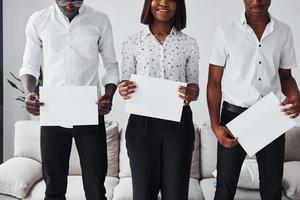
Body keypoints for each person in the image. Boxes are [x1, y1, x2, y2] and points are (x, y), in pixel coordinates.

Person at [19, 0, 119, 199]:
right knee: (54, 187)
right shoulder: (39, 20)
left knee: (96, 188)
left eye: (76, 0)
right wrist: (29, 92)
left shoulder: (100, 20)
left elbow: (111, 66)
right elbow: (29, 66)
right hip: (53, 112)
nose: (70, 4)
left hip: (90, 112)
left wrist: (108, 95)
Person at [207, 0, 300, 199]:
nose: (256, 2)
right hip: (233, 116)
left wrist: (295, 96)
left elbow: (285, 76)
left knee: (272, 189)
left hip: (270, 116)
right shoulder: (225, 31)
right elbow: (214, 82)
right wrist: (215, 125)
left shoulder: (284, 32)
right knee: (224, 189)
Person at [118, 0, 200, 199]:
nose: (164, 3)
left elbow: (195, 87)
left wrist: (192, 92)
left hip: (178, 125)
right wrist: (123, 89)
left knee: (176, 194)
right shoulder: (132, 42)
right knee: (144, 194)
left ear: (178, 4)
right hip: (141, 126)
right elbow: (125, 82)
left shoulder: (189, 43)